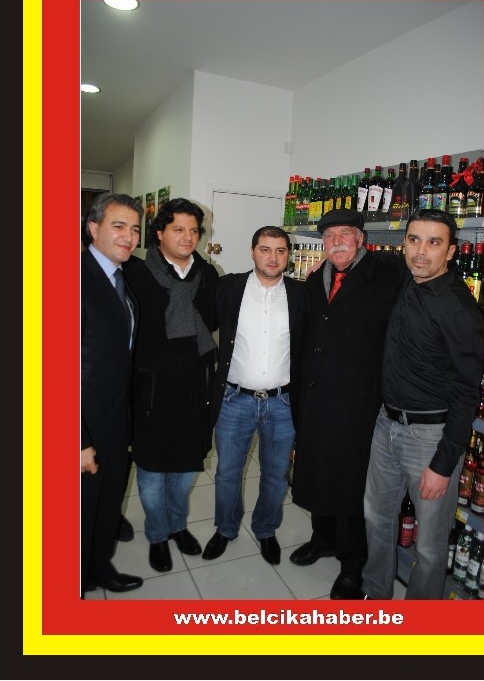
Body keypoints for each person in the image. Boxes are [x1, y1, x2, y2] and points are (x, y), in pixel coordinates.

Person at [361, 208, 484, 600]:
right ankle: (375, 596)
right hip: (386, 425)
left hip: (430, 438)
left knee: (429, 546)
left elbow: (466, 393)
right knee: (376, 519)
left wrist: (443, 464)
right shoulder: (407, 279)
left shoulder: (459, 309)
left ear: (451, 251)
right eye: (414, 240)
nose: (421, 251)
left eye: (434, 242)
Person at [289, 208, 401, 599]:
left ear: (360, 239)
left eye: (344, 234)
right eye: (329, 236)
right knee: (318, 469)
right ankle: (322, 538)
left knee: (351, 483)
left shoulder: (386, 276)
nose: (336, 241)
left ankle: (353, 563)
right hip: (316, 395)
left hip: (359, 401)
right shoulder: (315, 280)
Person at [201, 226, 307, 565]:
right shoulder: (229, 287)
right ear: (252, 252)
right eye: (265, 249)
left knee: (276, 475)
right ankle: (226, 528)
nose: (272, 258)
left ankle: (265, 529)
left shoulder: (301, 294)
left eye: (280, 250)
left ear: (288, 255)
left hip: (282, 403)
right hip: (235, 399)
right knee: (228, 473)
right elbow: (200, 321)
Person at [125, 198, 219, 573]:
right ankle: (157, 534)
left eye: (194, 230)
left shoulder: (207, 274)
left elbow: (213, 320)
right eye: (178, 229)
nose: (188, 237)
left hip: (194, 388)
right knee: (151, 474)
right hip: (150, 389)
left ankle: (177, 526)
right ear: (160, 232)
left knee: (184, 471)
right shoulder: (136, 273)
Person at [81, 193, 144, 597]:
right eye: (118, 226)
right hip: (84, 422)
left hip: (115, 419)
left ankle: (98, 568)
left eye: (134, 229)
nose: (129, 237)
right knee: (79, 510)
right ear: (94, 228)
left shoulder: (121, 276)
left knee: (107, 501)